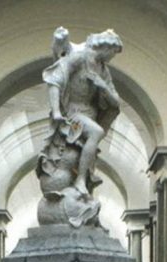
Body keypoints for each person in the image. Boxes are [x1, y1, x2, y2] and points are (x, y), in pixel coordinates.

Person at [43, 28, 122, 197]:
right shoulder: (80, 57)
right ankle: (80, 180)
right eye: (113, 53)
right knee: (96, 132)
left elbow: (116, 102)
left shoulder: (103, 70)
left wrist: (103, 86)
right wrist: (56, 111)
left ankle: (83, 180)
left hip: (90, 115)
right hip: (72, 114)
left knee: (89, 145)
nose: (112, 57)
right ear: (106, 48)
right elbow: (55, 79)